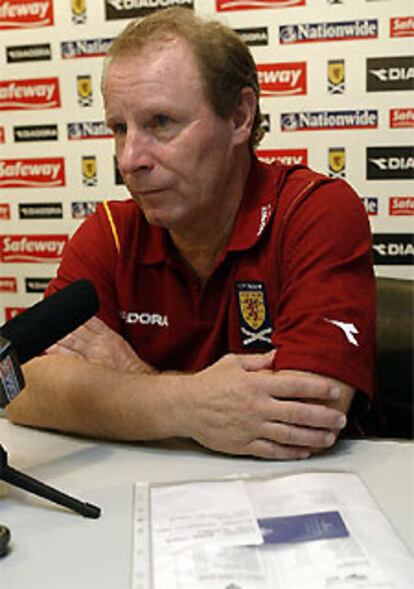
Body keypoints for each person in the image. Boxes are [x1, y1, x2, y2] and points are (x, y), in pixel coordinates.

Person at [6, 8, 375, 460]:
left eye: (161, 122)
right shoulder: (111, 232)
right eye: (120, 129)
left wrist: (132, 376)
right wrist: (189, 405)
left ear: (240, 117)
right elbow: (20, 386)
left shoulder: (314, 211)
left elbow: (305, 413)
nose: (129, 159)